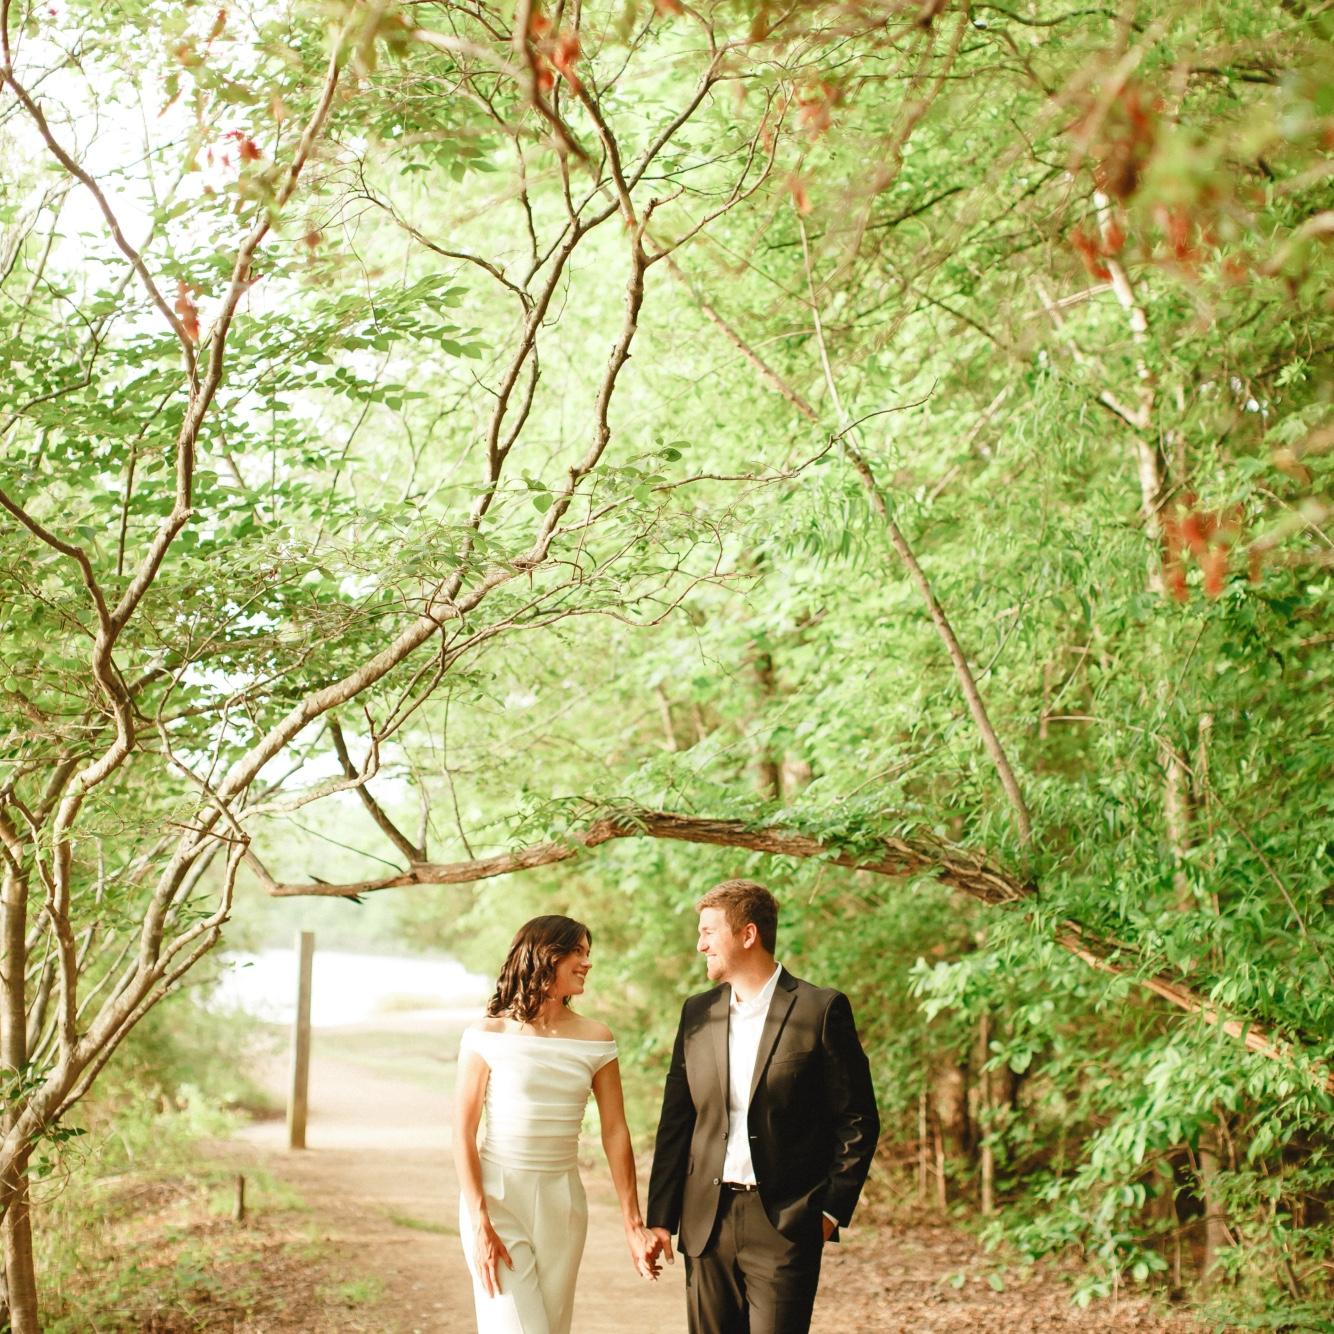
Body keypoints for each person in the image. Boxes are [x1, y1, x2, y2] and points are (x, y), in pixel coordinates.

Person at [646, 879, 879, 1334]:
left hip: (785, 1224)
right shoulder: (697, 1013)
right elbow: (677, 1121)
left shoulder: (820, 1009)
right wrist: (660, 1218)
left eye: (709, 932)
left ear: (748, 934)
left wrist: (829, 1212)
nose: (700, 945)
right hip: (706, 1223)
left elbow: (858, 1119)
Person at [455, 914, 661, 1333]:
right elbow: (462, 1131)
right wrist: (479, 1221)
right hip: (497, 1199)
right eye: (578, 952)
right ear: (547, 955)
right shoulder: (487, 1034)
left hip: (563, 1205)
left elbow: (615, 1131)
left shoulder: (596, 1038)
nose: (587, 962)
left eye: (588, 953)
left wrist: (633, 1224)